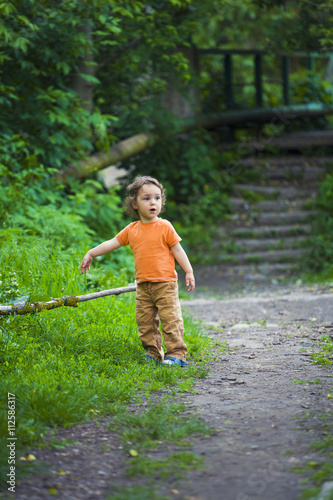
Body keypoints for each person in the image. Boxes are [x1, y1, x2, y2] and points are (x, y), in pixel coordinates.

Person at [80, 176, 195, 367]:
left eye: (157, 198)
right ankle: (153, 353)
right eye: (146, 198)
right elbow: (112, 243)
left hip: (165, 284)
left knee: (170, 320)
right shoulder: (132, 229)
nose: (153, 202)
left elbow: (177, 250)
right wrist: (91, 253)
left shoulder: (165, 226)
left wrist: (188, 271)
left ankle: (176, 354)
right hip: (143, 286)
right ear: (134, 203)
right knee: (145, 323)